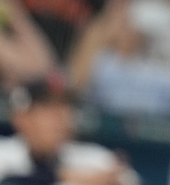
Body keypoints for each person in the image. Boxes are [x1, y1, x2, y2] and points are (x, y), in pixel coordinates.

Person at [0, 72, 139, 185]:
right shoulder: (4, 153)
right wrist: (65, 177)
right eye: (50, 108)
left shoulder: (97, 159)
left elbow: (128, 179)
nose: (61, 118)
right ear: (21, 118)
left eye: (66, 108)